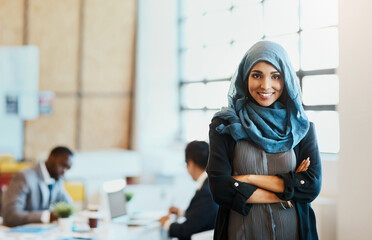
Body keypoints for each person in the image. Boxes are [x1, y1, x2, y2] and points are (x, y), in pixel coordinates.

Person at [207, 41, 322, 240]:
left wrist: (248, 179)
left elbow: (311, 187)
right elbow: (221, 190)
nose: (265, 85)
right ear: (245, 77)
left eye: (275, 76)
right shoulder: (224, 126)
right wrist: (289, 192)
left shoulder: (301, 127)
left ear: (286, 79)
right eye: (257, 75)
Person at [159, 141, 218, 240]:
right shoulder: (210, 185)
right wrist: (183, 213)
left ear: (190, 164)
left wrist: (167, 223)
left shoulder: (206, 192)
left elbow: (185, 231)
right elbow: (203, 216)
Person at [2, 146, 73, 227]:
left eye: (68, 168)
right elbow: (11, 216)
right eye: (63, 165)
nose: (64, 171)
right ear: (51, 158)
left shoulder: (56, 179)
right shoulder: (24, 177)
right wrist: (47, 216)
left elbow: (69, 206)